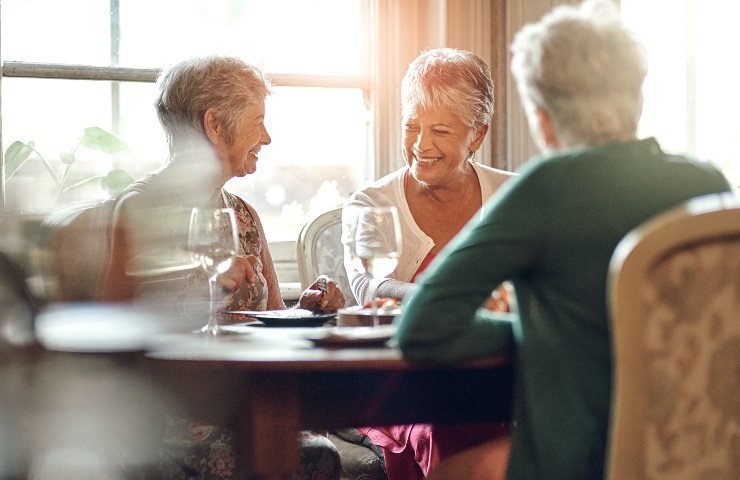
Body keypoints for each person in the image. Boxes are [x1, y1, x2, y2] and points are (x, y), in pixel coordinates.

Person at [395, 2, 733, 480]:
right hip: (701, 456)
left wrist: (536, 334)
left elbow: (422, 328)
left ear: (543, 118)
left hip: (578, 463)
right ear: (637, 99)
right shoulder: (707, 182)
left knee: (452, 472)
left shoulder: (546, 186)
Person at [102, 55, 344, 480]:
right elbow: (118, 339)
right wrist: (205, 293)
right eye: (258, 121)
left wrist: (307, 311)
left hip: (248, 402)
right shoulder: (139, 210)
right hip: (169, 418)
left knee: (318, 451)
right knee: (314, 456)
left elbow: (270, 318)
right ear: (214, 124)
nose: (267, 137)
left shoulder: (243, 215)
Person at [341, 48, 515, 480]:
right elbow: (369, 288)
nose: (421, 144)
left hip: (491, 377)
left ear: (477, 135)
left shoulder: (513, 196)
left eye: (439, 130)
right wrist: (459, 300)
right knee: (444, 427)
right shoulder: (372, 203)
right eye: (412, 126)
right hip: (399, 385)